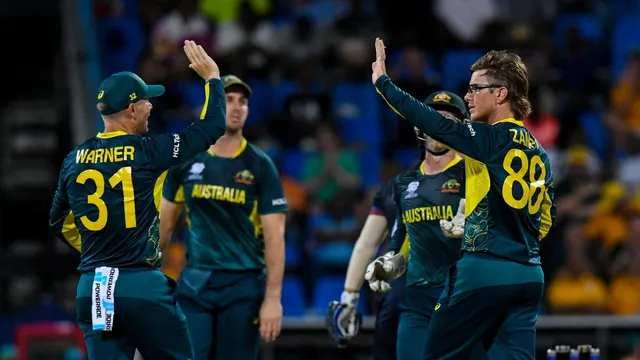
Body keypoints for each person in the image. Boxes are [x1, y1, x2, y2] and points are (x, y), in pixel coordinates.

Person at [372, 38, 556, 360]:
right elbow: (544, 221)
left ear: (500, 94)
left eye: (475, 89)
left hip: (483, 270)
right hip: (530, 275)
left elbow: (435, 123)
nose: (468, 97)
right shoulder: (539, 152)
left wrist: (383, 83)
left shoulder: (488, 136)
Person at [49, 40, 225, 360]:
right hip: (141, 284)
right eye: (146, 101)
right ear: (132, 109)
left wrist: (99, 248)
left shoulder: (73, 159)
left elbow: (58, 221)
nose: (151, 107)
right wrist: (212, 78)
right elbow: (211, 127)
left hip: (95, 285)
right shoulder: (148, 151)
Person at [160, 74, 288, 360]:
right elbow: (162, 228)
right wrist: (144, 277)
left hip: (243, 287)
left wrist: (273, 298)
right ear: (211, 106)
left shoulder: (260, 165)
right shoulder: (186, 160)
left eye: (242, 101)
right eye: (228, 100)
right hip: (196, 283)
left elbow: (275, 238)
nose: (237, 107)